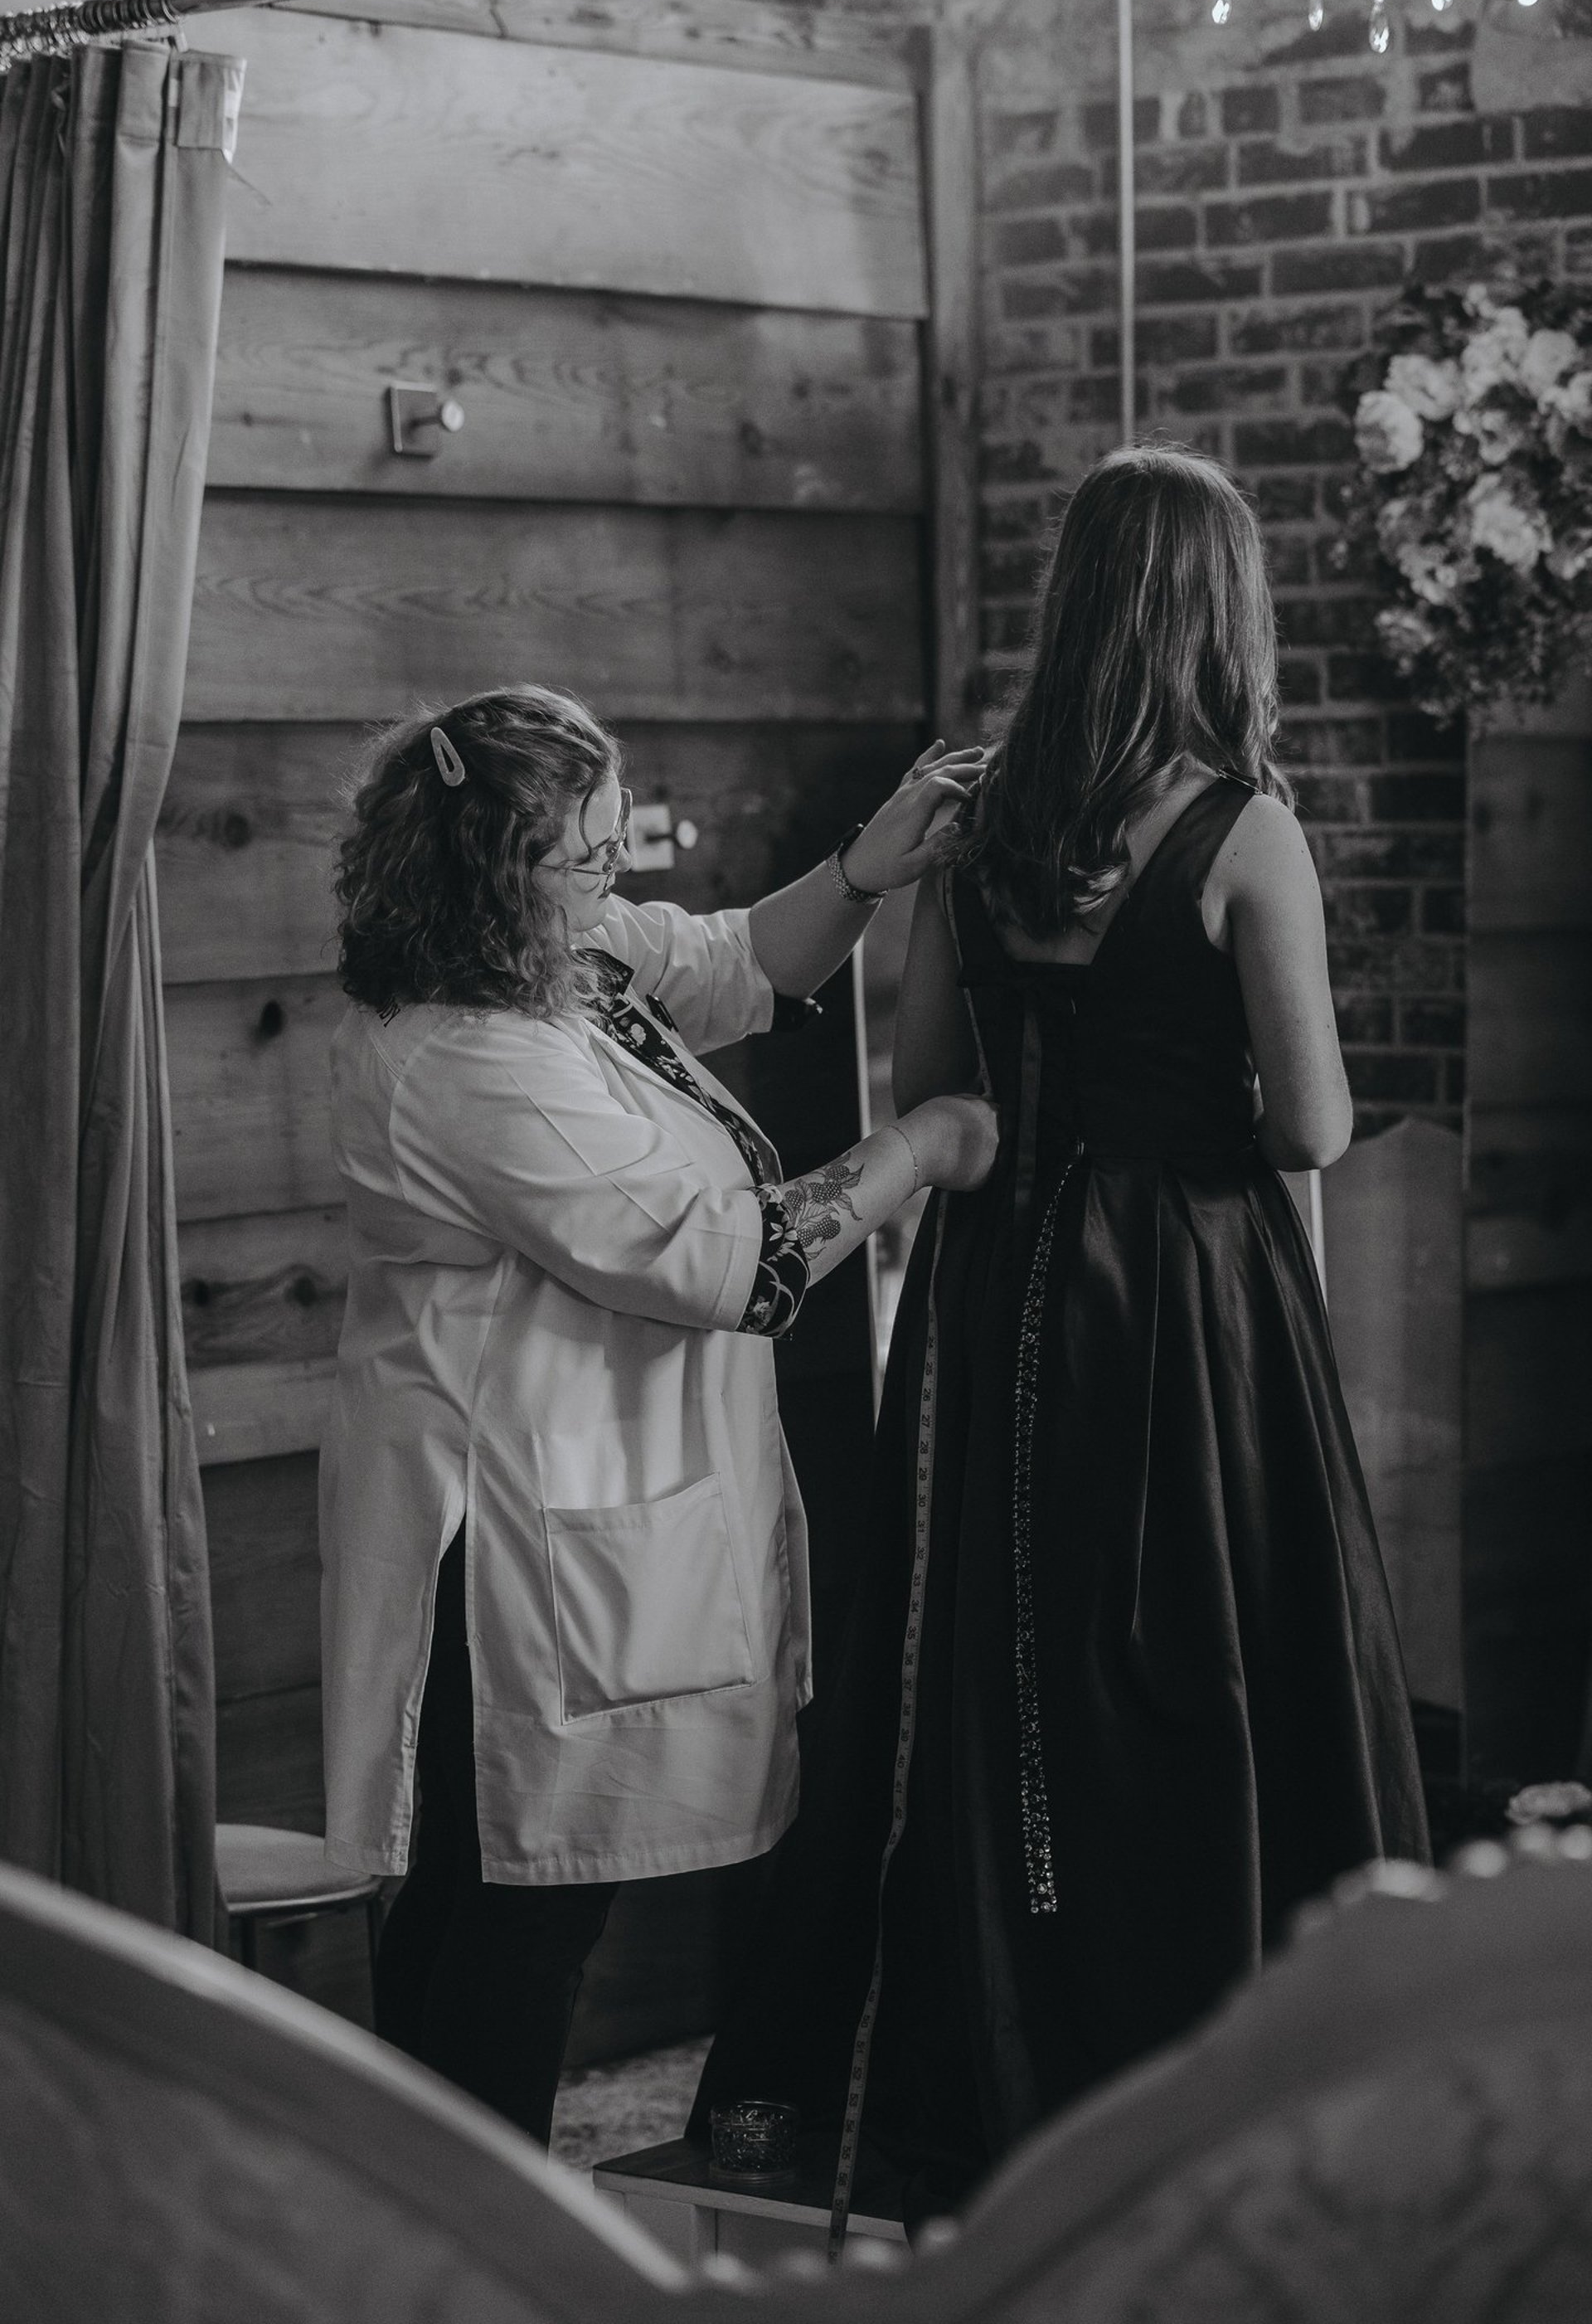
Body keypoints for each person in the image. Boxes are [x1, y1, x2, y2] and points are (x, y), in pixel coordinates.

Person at [693, 446, 1431, 2224]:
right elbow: (1314, 1129)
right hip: (1184, 1290)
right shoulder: (1244, 830)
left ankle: (1009, 2048)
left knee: (1002, 1667)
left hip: (1000, 1281)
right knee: (1196, 1659)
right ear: (1220, 608)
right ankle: (1223, 2054)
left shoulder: (984, 820)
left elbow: (937, 1086)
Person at [318, 683, 997, 2142]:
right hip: (494, 1538)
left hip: (567, 1492)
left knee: (491, 1900)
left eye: (614, 848)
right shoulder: (468, 1055)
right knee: (512, 1912)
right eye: (585, 856)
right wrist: (921, 1144)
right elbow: (734, 1263)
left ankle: (420, 2225)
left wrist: (868, 868)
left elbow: (738, 961)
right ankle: (465, 2238)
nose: (611, 882)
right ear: (490, 870)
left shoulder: (562, 960)